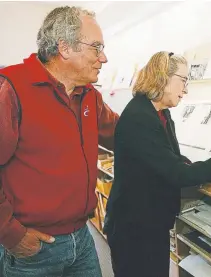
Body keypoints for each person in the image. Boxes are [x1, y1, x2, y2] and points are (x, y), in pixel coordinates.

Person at [104, 51, 211, 277]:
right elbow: (176, 173)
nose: (186, 89)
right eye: (183, 80)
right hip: (134, 229)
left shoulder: (159, 112)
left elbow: (170, 157)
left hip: (150, 223)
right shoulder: (140, 118)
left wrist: (192, 165)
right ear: (163, 77)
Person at [0, 6, 119, 277]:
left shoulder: (89, 94)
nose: (104, 58)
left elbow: (121, 133)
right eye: (96, 47)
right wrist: (11, 234)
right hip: (33, 248)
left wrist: (153, 109)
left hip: (82, 237)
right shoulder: (12, 89)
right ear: (65, 48)